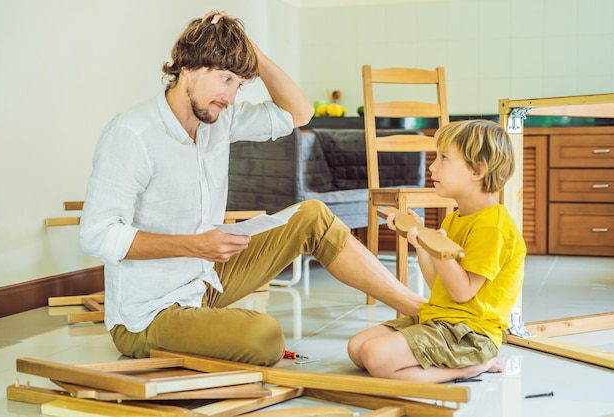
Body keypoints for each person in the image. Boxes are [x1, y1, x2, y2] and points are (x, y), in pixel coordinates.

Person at [79, 10, 427, 366]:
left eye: (239, 84)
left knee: (313, 216)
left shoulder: (220, 119)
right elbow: (97, 235)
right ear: (186, 67)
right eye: (225, 78)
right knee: (265, 337)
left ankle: (421, 309)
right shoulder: (132, 134)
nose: (230, 97)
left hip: (204, 283)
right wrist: (195, 245)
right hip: (147, 316)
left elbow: (300, 113)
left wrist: (252, 52)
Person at [348, 119, 527, 383]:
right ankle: (456, 365)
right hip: (440, 318)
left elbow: (462, 291)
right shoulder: (453, 219)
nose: (432, 166)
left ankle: (472, 366)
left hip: (470, 334)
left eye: (444, 158)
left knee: (375, 357)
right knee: (357, 349)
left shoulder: (494, 227)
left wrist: (442, 250)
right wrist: (423, 242)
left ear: (477, 170)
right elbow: (438, 284)